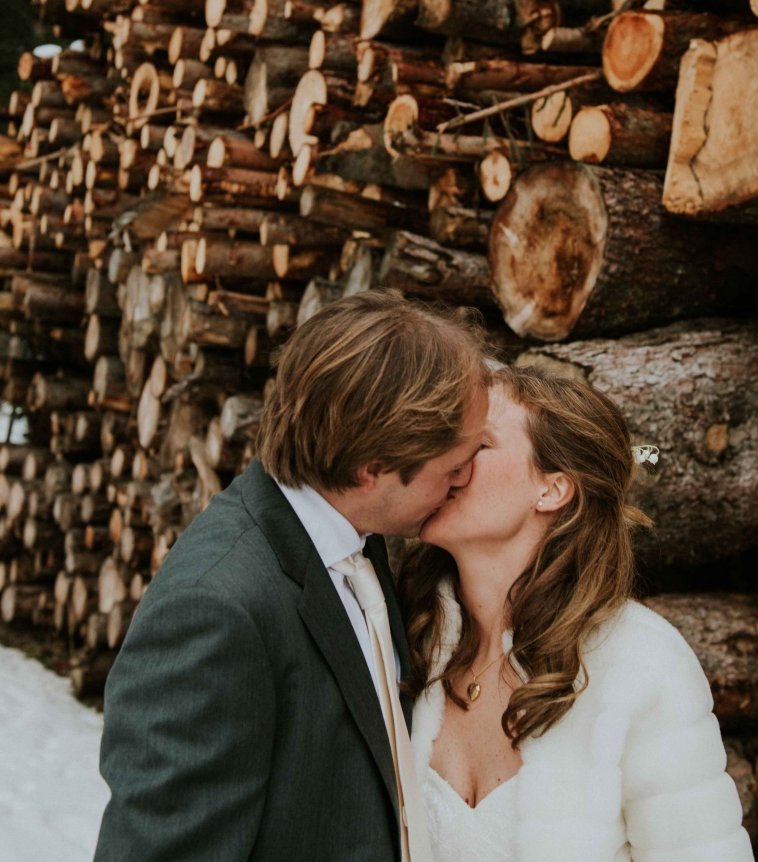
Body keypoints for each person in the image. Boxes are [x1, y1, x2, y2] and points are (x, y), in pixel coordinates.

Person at [94, 290, 490, 862]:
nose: (464, 480)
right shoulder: (213, 610)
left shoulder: (357, 535)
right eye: (452, 467)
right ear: (370, 468)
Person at [399, 363, 753, 862]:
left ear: (552, 489)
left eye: (478, 444)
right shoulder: (410, 636)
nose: (447, 460)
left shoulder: (641, 664)